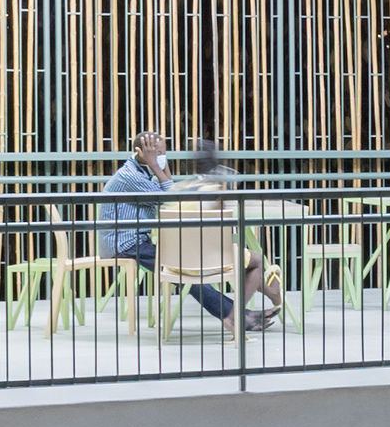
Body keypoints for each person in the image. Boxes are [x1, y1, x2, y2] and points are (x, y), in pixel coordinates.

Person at [164, 144, 283, 332]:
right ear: (216, 163)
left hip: (175, 263)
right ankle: (234, 317)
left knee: (243, 260)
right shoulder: (213, 190)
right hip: (207, 263)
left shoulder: (176, 188)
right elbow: (223, 231)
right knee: (256, 260)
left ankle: (272, 293)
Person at [97, 130, 173, 273]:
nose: (161, 157)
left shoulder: (142, 172)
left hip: (136, 240)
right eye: (157, 153)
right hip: (124, 244)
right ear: (140, 152)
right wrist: (155, 165)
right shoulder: (130, 176)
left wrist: (163, 165)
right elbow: (169, 199)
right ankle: (220, 297)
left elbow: (172, 196)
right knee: (177, 267)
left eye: (164, 153)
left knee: (179, 263)